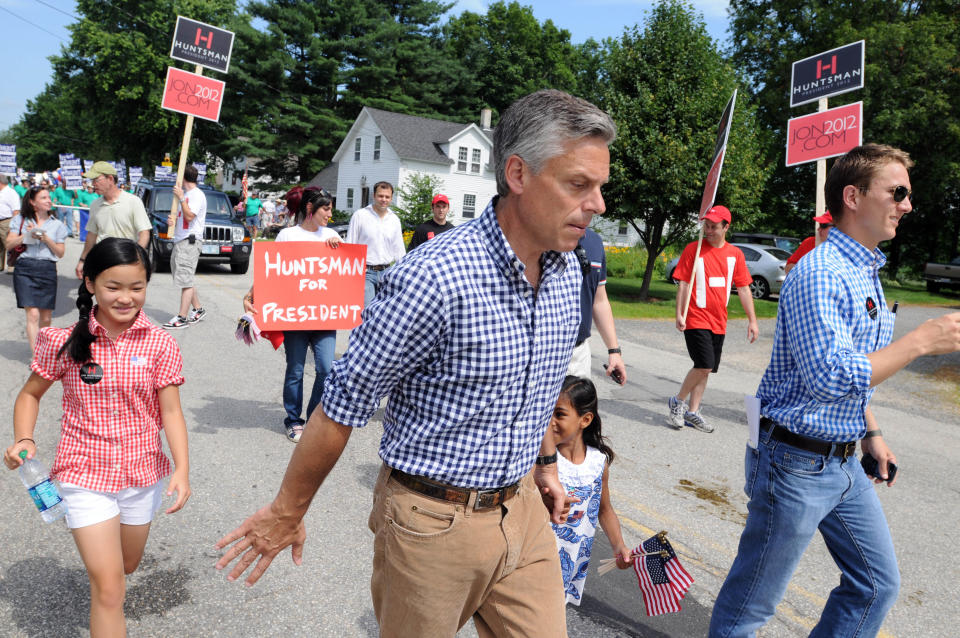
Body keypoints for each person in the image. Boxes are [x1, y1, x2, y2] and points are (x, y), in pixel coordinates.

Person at [215, 89, 616, 637]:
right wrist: (288, 511)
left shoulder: (567, 271)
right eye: (579, 185)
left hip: (523, 513)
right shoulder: (434, 278)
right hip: (433, 524)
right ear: (518, 174)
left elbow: (539, 386)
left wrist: (545, 465)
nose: (597, 204)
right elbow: (342, 405)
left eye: (599, 187)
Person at [709, 144, 960, 637]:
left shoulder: (863, 269)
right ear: (853, 195)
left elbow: (854, 367)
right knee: (752, 605)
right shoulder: (819, 273)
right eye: (898, 192)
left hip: (843, 460)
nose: (907, 205)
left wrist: (872, 431)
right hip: (794, 462)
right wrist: (919, 342)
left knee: (875, 585)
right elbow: (830, 378)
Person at [3, 237, 191, 638]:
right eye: (113, 287)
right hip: (83, 475)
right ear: (89, 284)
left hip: (142, 475)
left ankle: (105, 578)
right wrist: (25, 438)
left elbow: (171, 412)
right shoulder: (65, 340)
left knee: (127, 565)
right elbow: (29, 395)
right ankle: (104, 592)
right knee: (109, 589)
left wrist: (182, 469)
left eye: (136, 288)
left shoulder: (160, 344)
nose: (126, 298)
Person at [241, 187, 342, 442]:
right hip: (294, 316)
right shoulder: (287, 235)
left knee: (326, 368)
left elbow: (343, 270)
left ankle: (314, 418)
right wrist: (250, 296)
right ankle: (294, 420)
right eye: (326, 209)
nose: (330, 214)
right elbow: (271, 272)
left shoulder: (331, 235)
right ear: (310, 209)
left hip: (324, 316)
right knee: (295, 370)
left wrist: (339, 248)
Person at [667, 205, 758, 433]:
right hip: (695, 317)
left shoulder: (735, 255)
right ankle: (678, 401)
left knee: (706, 369)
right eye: (706, 225)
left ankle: (693, 412)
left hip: (719, 321)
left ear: (726, 227)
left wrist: (753, 320)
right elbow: (684, 283)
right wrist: (679, 312)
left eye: (714, 226)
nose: (708, 230)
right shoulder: (693, 249)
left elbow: (745, 289)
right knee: (704, 364)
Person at [551, 375, 632, 605]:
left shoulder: (597, 463)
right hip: (536, 558)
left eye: (560, 414)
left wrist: (619, 546)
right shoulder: (544, 461)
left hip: (569, 561)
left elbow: (604, 510)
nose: (550, 421)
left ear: (585, 419)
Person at [6, 186, 69, 352]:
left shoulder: (57, 225)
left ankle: (44, 348)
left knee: (46, 317)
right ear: (33, 203)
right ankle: (37, 356)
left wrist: (46, 238)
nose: (49, 200)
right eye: (43, 198)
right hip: (24, 269)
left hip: (47, 269)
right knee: (33, 314)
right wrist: (26, 236)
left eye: (49, 197)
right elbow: (8, 244)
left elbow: (60, 253)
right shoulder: (20, 220)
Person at [567, 227, 626, 384]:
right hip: (544, 352)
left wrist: (614, 351)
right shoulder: (542, 238)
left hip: (579, 353)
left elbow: (599, 300)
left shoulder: (595, 242)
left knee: (580, 408)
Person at [75, 162, 151, 278]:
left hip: (126, 261)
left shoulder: (133, 201)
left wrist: (136, 258)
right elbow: (91, 235)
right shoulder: (95, 205)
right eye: (92, 181)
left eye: (96, 180)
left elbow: (144, 233)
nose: (93, 184)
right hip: (102, 261)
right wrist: (82, 260)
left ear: (110, 178)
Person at [162, 166, 208, 330]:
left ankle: (182, 317)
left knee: (185, 279)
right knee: (184, 277)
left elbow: (190, 215)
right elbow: (184, 218)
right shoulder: (187, 195)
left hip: (190, 241)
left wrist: (181, 198)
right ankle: (198, 309)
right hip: (180, 240)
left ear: (182, 178)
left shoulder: (196, 195)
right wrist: (173, 222)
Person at [345, 181, 405, 304]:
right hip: (365, 273)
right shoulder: (360, 215)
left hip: (387, 273)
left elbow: (399, 250)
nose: (384, 199)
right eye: (380, 196)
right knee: (367, 312)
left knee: (384, 313)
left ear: (391, 198)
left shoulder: (394, 220)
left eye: (387, 197)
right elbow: (350, 245)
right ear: (374, 196)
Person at [0, 174, 20, 271]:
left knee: (9, 244)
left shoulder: (11, 193)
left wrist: (13, 226)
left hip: (6, 221)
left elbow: (16, 210)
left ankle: (12, 265)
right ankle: (0, 266)